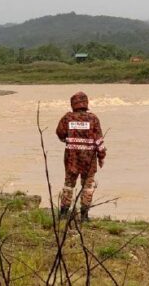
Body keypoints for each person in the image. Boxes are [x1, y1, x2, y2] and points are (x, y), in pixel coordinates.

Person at [56, 91, 106, 221]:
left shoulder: (67, 118)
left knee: (68, 184)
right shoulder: (93, 118)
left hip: (71, 159)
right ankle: (84, 215)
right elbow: (99, 140)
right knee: (88, 187)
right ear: (86, 103)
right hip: (89, 160)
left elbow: (59, 133)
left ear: (73, 104)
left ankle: (63, 213)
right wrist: (101, 156)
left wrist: (67, 139)